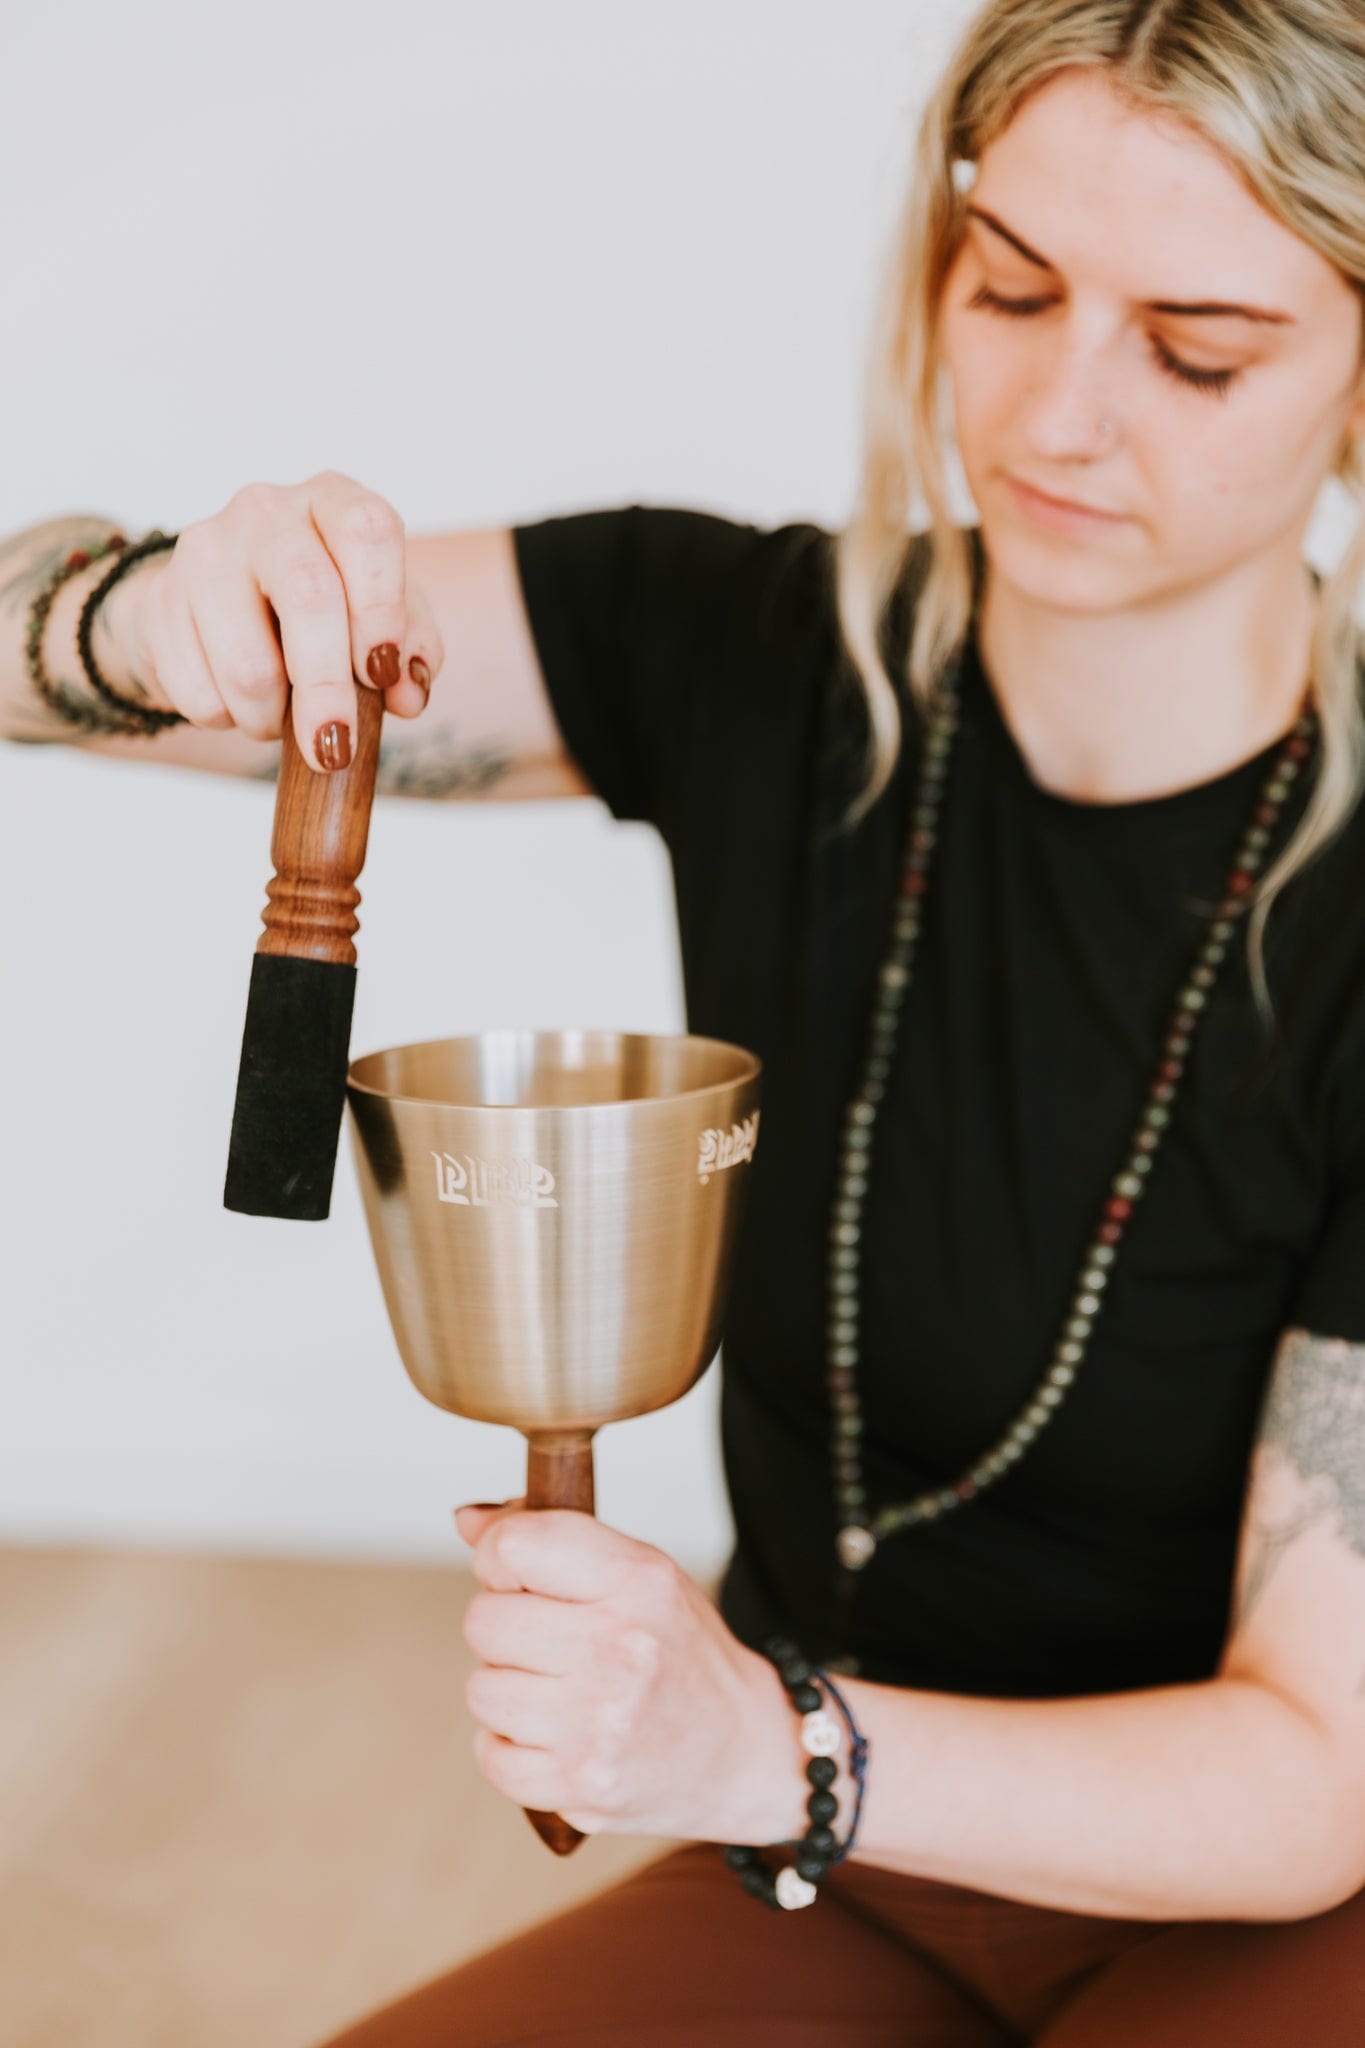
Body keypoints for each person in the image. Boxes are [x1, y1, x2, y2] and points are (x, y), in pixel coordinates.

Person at [6, 0, 1365, 2039]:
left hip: (1264, 1887)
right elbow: (29, 659)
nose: (1063, 411)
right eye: (1008, 290)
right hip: (850, 1868)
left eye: (1196, 347)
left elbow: (1307, 1778)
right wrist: (153, 606)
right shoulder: (745, 652)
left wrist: (764, 1750)